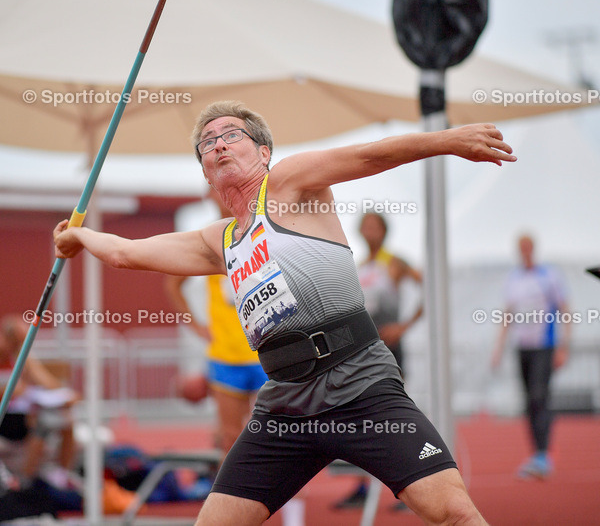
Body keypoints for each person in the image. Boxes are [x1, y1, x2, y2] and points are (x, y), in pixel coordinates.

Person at [55, 100, 514, 525]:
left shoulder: (288, 183)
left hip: (360, 384)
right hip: (285, 407)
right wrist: (79, 237)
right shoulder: (219, 241)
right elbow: (127, 253)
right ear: (207, 176)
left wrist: (448, 140)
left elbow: (369, 155)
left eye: (231, 135)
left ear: (264, 152)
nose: (218, 145)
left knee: (453, 511)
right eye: (207, 143)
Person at [164, 189, 268, 456]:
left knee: (272, 436)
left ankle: (279, 486)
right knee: (230, 439)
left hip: (266, 353)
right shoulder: (209, 238)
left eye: (232, 189)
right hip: (225, 355)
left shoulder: (263, 231)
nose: (224, 195)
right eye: (216, 189)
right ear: (209, 195)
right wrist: (196, 327)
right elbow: (173, 284)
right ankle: (227, 485)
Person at [335, 211, 423, 508]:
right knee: (360, 417)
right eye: (366, 226)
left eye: (375, 226)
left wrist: (404, 326)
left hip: (389, 349)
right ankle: (362, 488)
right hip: (361, 349)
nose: (370, 231)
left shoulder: (395, 263)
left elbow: (430, 288)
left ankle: (413, 486)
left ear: (385, 231)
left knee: (395, 417)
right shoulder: (358, 266)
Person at [0, 315, 78, 488]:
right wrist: (1, 392)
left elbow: (44, 380)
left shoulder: (18, 355)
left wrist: (65, 395)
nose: (18, 348)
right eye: (15, 343)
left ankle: (61, 476)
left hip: (15, 415)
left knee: (65, 420)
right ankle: (26, 482)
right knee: (38, 422)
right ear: (2, 336)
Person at [489, 234, 571, 480]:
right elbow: (507, 314)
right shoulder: (513, 278)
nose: (524, 251)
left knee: (539, 396)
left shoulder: (549, 275)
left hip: (544, 346)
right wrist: (498, 349)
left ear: (533, 248)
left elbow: (565, 309)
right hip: (522, 347)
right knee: (528, 401)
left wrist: (564, 346)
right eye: (520, 247)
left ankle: (543, 454)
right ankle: (536, 453)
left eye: (527, 246)